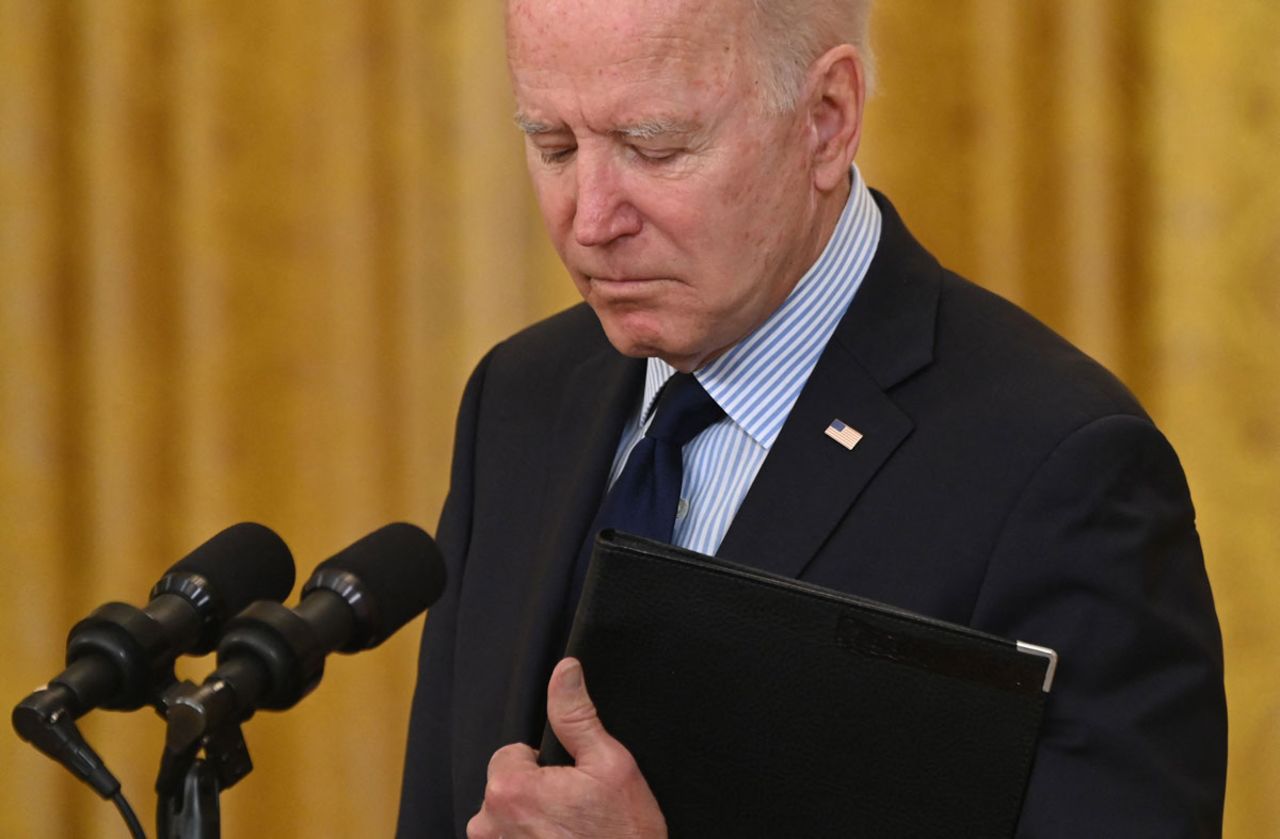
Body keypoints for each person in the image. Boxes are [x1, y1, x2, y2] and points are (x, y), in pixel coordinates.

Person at [397, 0, 1227, 836]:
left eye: (655, 148)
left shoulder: (1061, 466)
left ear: (828, 120)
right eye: (555, 147)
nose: (590, 219)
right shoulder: (520, 397)